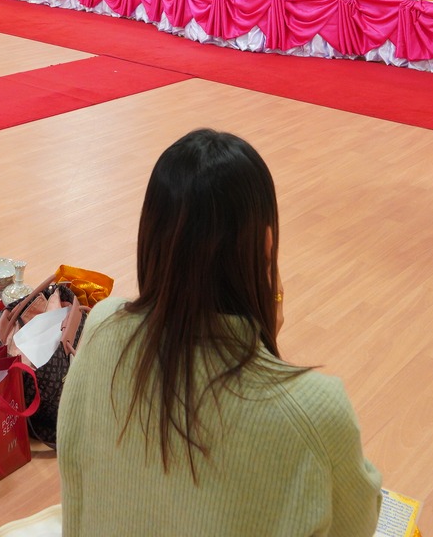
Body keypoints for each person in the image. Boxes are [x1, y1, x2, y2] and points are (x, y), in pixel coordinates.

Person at [57, 129, 381, 536]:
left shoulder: (103, 324)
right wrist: (267, 346)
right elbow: (359, 525)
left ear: (152, 237)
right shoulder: (316, 409)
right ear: (266, 246)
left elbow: (73, 468)